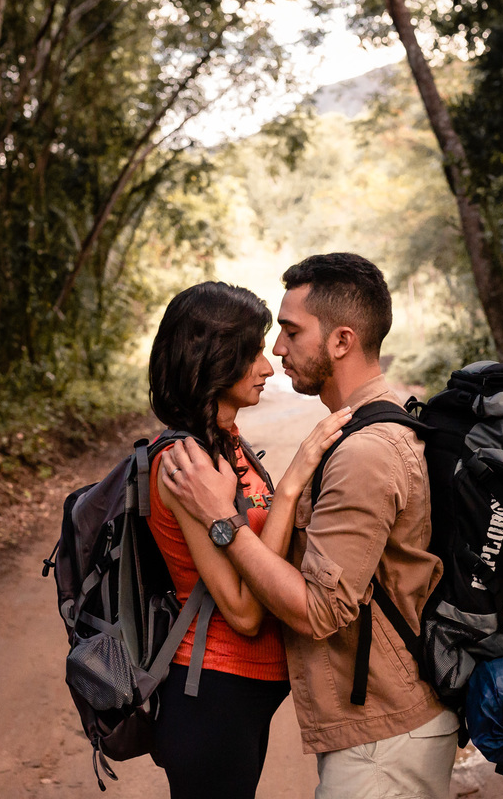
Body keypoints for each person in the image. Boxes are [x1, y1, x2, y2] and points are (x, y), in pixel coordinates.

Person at [161, 254, 459, 799]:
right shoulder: (198, 457)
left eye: (290, 332)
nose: (276, 352)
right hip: (368, 728)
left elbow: (318, 609)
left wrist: (227, 517)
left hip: (383, 736)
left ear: (342, 340)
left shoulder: (364, 450)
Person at [145, 281, 352, 799]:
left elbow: (258, 551)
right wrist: (296, 475)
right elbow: (242, 609)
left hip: (241, 694)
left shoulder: (227, 445)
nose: (266, 367)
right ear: (210, 360)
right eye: (252, 352)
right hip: (211, 691)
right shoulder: (183, 463)